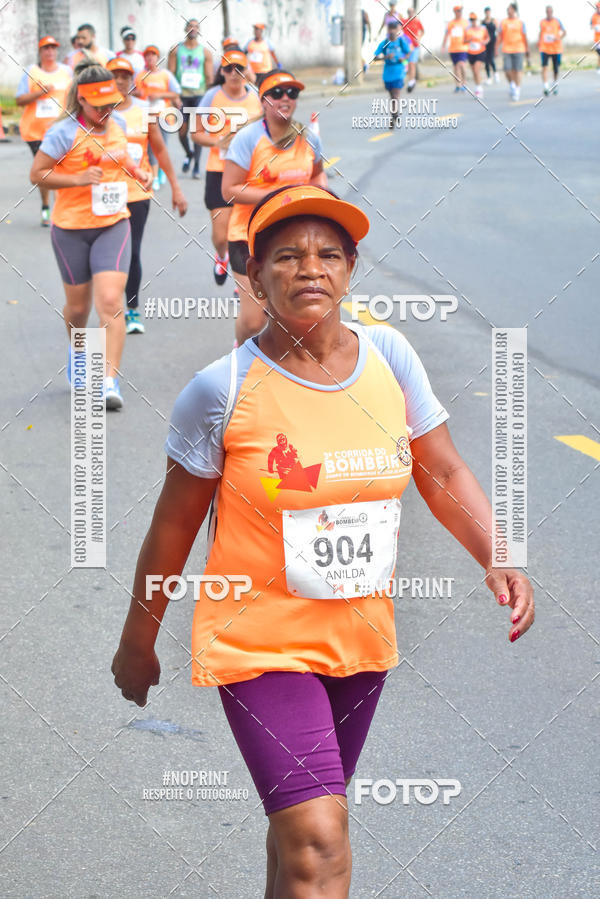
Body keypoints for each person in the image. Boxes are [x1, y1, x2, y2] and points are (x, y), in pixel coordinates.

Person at [111, 183, 535, 896]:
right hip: (259, 642)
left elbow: (441, 469)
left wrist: (500, 552)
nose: (310, 268)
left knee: (304, 834)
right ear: (254, 275)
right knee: (320, 841)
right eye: (287, 256)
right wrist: (138, 641)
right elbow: (173, 526)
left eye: (328, 254)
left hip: (358, 641)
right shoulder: (221, 390)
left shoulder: (389, 357)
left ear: (350, 268)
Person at [29, 61, 153, 409]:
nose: (106, 111)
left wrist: (139, 172)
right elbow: (37, 174)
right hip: (70, 228)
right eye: (99, 106)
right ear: (81, 100)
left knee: (111, 302)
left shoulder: (119, 124)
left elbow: (123, 159)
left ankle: (109, 381)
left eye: (111, 104)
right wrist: (76, 179)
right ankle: (78, 351)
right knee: (79, 307)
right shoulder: (63, 133)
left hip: (113, 223)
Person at [221, 70, 326, 344]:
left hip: (294, 238)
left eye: (292, 93)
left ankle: (281, 363)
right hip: (248, 236)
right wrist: (275, 196)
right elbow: (229, 190)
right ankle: (242, 354)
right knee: (254, 320)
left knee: (289, 310)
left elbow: (318, 176)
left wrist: (318, 199)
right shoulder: (248, 138)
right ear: (263, 100)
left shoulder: (308, 138)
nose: (285, 98)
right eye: (277, 93)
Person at [106, 57, 187, 335]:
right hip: (105, 193)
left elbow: (160, 150)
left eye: (124, 76)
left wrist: (175, 187)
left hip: (136, 192)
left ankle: (131, 308)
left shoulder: (144, 110)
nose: (120, 81)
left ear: (132, 81)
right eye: (114, 76)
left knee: (132, 251)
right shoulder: (97, 112)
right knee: (108, 254)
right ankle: (109, 305)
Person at [191, 50, 261, 286]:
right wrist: (217, 142)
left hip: (249, 173)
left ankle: (243, 281)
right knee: (221, 236)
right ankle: (222, 256)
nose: (234, 73)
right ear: (222, 71)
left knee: (246, 235)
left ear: (246, 71)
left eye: (239, 68)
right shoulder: (212, 97)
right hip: (219, 171)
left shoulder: (257, 98)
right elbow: (196, 133)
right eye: (229, 68)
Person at [16, 36, 72, 226]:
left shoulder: (66, 72)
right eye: (46, 48)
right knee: (44, 172)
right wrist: (40, 92)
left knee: (60, 170)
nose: (50, 52)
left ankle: (59, 209)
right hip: (36, 132)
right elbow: (19, 100)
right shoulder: (31, 72)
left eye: (53, 48)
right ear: (40, 51)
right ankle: (46, 205)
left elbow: (75, 97)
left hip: (60, 132)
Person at [168, 18, 213, 179]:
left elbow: (209, 77)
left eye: (196, 26)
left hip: (199, 95)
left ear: (199, 31)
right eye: (190, 26)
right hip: (182, 96)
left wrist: (210, 98)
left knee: (196, 130)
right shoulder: (176, 50)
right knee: (181, 130)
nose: (193, 29)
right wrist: (173, 96)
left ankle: (196, 166)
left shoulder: (205, 52)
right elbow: (170, 75)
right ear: (185, 29)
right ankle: (189, 153)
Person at [135, 46, 182, 190]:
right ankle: (154, 176)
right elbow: (133, 92)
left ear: (157, 58)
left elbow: (176, 93)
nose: (150, 58)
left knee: (162, 146)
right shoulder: (140, 75)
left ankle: (161, 171)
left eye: (153, 55)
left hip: (164, 116)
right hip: (147, 115)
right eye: (147, 55)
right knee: (151, 147)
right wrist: (139, 93)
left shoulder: (166, 75)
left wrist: (160, 95)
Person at [374, 20, 412, 122]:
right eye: (390, 29)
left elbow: (408, 53)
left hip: (399, 71)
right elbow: (375, 57)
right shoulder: (384, 43)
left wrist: (403, 59)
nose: (392, 31)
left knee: (395, 95)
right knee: (392, 96)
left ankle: (394, 115)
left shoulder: (401, 42)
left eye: (394, 29)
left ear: (397, 30)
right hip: (388, 73)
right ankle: (395, 114)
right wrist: (385, 57)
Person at [497, 3, 529, 101]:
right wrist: (496, 48)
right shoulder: (503, 22)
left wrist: (527, 49)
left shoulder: (520, 22)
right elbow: (499, 36)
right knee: (507, 70)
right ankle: (512, 84)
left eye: (510, 9)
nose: (508, 11)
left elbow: (524, 36)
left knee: (517, 70)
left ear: (514, 10)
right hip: (507, 49)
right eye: (507, 9)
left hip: (519, 48)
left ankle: (517, 90)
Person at [538, 6, 565, 95]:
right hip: (545, 48)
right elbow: (540, 32)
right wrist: (539, 41)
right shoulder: (542, 22)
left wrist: (558, 38)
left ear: (552, 12)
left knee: (555, 69)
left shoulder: (557, 21)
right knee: (544, 67)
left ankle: (554, 84)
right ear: (546, 12)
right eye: (547, 11)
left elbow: (564, 32)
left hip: (556, 49)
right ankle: (546, 86)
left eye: (550, 11)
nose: (549, 13)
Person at [442, 5, 468, 92]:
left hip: (463, 47)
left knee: (462, 65)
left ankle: (464, 83)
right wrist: (443, 45)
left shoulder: (465, 22)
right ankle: (458, 85)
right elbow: (446, 34)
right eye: (458, 11)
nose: (460, 13)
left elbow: (469, 33)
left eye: (461, 11)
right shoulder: (451, 23)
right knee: (456, 67)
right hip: (453, 49)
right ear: (455, 12)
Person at [465, 13, 490, 98]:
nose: (473, 21)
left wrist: (485, 42)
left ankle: (479, 88)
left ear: (477, 20)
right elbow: (464, 41)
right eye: (471, 20)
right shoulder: (467, 29)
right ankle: (477, 87)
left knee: (476, 69)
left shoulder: (483, 28)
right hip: (471, 52)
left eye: (474, 19)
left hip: (480, 51)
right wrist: (469, 40)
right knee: (474, 71)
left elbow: (488, 38)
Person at [401, 7, 425, 92]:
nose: (410, 13)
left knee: (412, 64)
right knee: (405, 64)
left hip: (415, 46)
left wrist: (419, 37)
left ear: (414, 12)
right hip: (406, 47)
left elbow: (423, 31)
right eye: (408, 11)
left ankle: (411, 82)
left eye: (411, 11)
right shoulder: (404, 21)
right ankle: (408, 80)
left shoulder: (417, 21)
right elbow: (399, 31)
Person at [482, 7, 499, 83]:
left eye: (488, 11)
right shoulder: (483, 22)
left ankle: (495, 73)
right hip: (485, 42)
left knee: (491, 58)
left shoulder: (493, 21)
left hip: (492, 42)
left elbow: (498, 31)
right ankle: (488, 77)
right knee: (486, 60)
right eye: (486, 12)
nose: (487, 13)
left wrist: (497, 43)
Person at [592, 3, 600, 74]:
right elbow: (591, 26)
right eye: (597, 7)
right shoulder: (594, 16)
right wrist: (596, 27)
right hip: (597, 39)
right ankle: (598, 68)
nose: (598, 9)